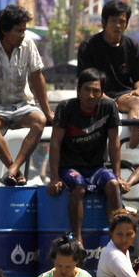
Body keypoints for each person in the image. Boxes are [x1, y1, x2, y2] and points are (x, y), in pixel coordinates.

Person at [0, 4, 55, 186]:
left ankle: (12, 169)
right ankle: (14, 169)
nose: (23, 35)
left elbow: (37, 78)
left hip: (23, 105)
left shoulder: (28, 45)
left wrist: (48, 111)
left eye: (24, 30)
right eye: (19, 31)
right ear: (4, 30)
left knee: (39, 120)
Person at [46, 68, 126, 244]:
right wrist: (53, 178)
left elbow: (114, 142)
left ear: (101, 93)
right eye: (87, 89)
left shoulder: (108, 107)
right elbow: (55, 143)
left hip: (97, 167)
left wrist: (118, 175)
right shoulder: (66, 108)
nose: (91, 95)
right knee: (79, 186)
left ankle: (116, 237)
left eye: (96, 91)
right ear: (78, 90)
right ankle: (77, 238)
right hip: (70, 167)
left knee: (113, 185)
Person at [77, 0, 139, 149]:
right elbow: (85, 82)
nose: (118, 25)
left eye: (122, 21)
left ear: (126, 24)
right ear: (104, 22)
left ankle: (133, 146)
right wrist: (107, 100)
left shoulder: (133, 46)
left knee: (136, 101)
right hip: (95, 95)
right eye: (113, 21)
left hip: (123, 96)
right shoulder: (88, 46)